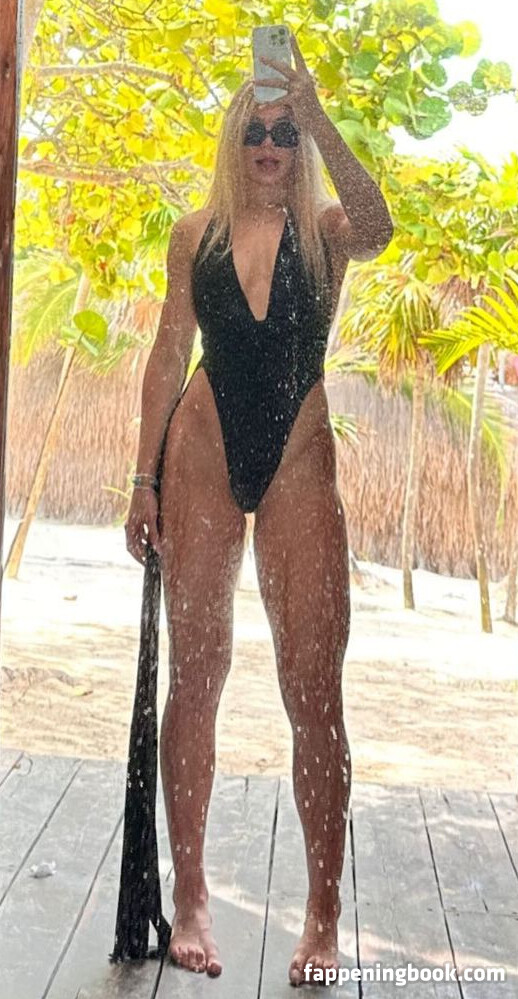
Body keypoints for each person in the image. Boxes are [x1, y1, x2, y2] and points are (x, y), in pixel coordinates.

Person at [116, 31, 393, 986]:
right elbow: (166, 352)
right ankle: (191, 894)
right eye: (256, 130)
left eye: (284, 131)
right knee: (198, 675)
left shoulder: (327, 230)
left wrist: (320, 113)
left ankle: (323, 911)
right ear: (233, 141)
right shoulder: (192, 233)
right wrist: (143, 479)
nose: (270, 145)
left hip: (298, 456)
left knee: (314, 690)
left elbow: (382, 224)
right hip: (201, 444)